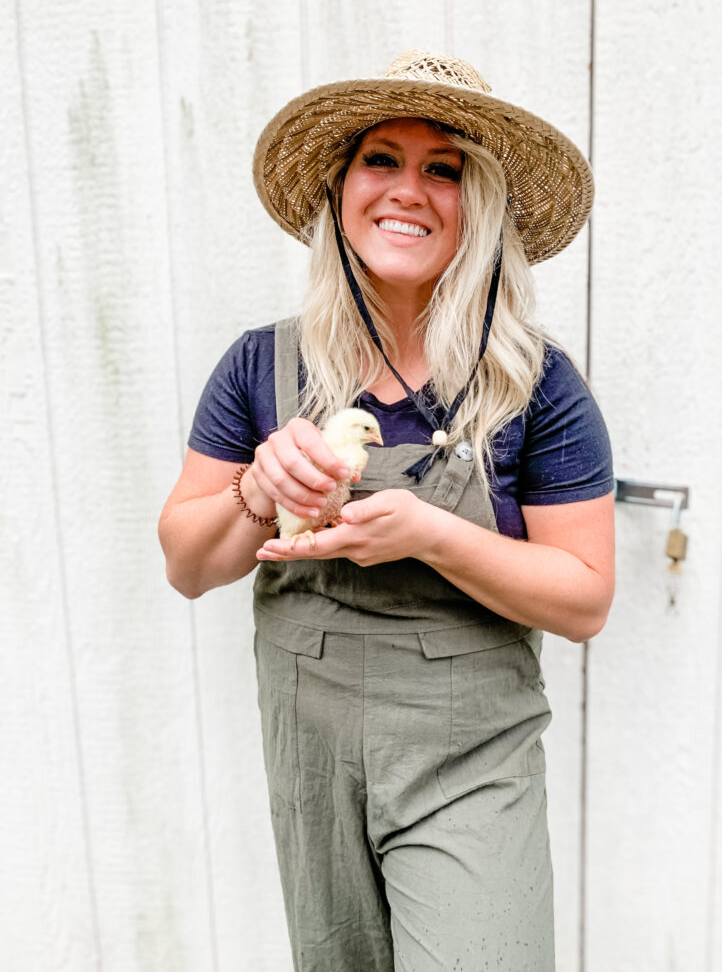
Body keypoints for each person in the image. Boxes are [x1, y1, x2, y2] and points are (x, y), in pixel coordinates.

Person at [159, 50, 614, 972]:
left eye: (443, 168)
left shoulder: (537, 385)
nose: (408, 189)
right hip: (311, 751)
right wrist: (257, 491)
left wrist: (431, 532)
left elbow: (584, 599)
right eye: (381, 159)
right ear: (340, 191)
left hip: (467, 756)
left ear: (478, 209)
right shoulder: (261, 367)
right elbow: (188, 565)